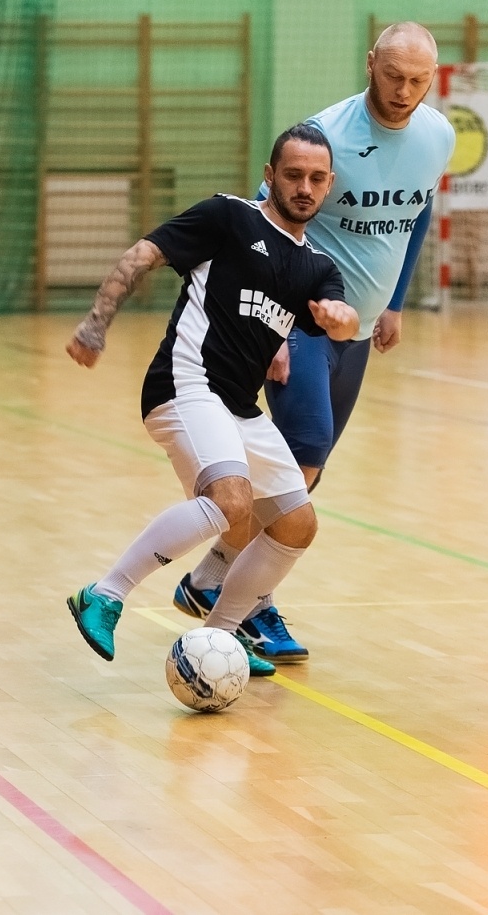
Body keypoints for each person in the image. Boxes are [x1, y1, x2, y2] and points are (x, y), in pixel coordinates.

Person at [173, 22, 456, 664]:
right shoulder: (326, 137)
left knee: (308, 473)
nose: (404, 91)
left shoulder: (438, 135)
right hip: (299, 323)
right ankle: (242, 606)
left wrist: (397, 302)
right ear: (369, 64)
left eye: (418, 80)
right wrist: (267, 324)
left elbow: (416, 217)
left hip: (352, 333)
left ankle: (213, 582)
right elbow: (258, 223)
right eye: (393, 76)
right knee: (296, 465)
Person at [65, 125, 359, 678]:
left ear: (329, 185)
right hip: (185, 383)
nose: (304, 187)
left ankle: (220, 636)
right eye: (293, 175)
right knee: (231, 502)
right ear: (269, 176)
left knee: (297, 523)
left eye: (317, 179)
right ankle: (104, 594)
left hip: (238, 407)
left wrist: (343, 322)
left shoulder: (317, 267)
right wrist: (95, 324)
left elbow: (338, 320)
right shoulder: (229, 217)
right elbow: (141, 256)